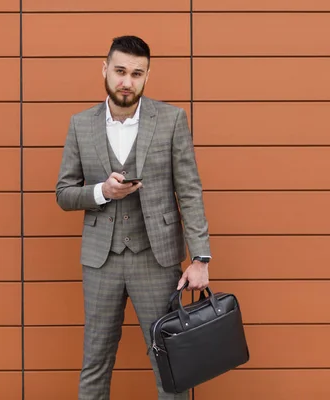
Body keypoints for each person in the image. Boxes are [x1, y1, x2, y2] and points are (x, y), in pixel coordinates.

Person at [55, 35, 212, 400]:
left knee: (172, 365)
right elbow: (64, 193)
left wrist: (200, 258)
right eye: (121, 71)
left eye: (137, 73)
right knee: (95, 362)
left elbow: (189, 190)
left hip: (156, 261)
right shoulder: (81, 125)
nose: (127, 81)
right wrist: (101, 192)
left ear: (147, 76)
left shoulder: (172, 119)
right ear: (105, 69)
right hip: (101, 261)